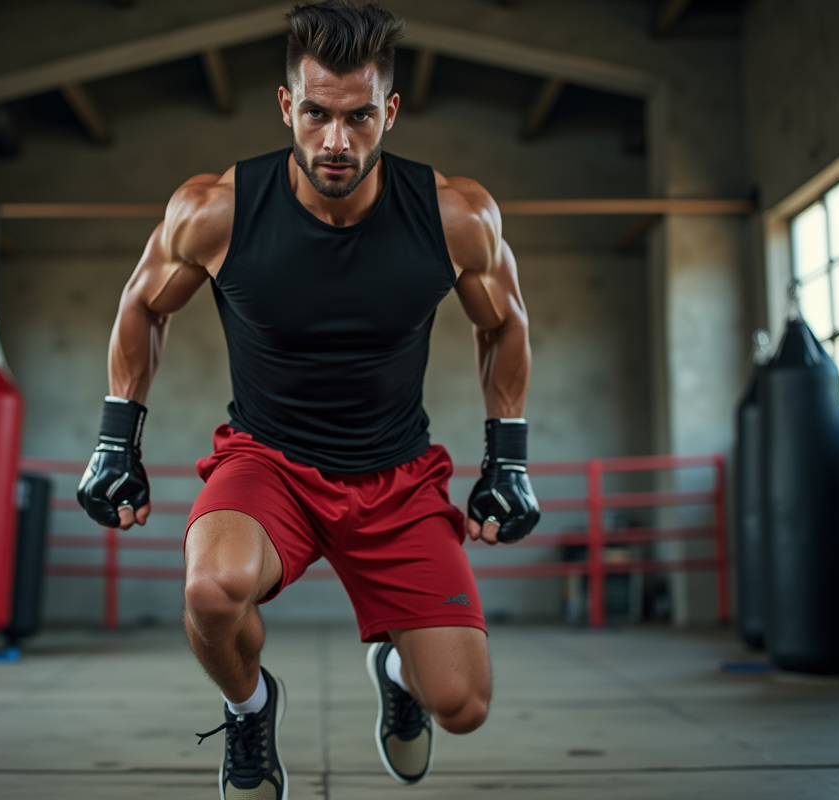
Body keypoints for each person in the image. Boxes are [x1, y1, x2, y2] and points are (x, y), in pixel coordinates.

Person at [77, 2, 540, 797]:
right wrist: (117, 441)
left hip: (396, 477)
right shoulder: (216, 210)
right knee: (209, 590)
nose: (336, 141)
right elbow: (143, 304)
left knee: (463, 705)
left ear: (388, 112)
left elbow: (505, 324)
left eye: (359, 117)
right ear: (287, 104)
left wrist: (510, 458)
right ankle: (250, 708)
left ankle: (396, 669)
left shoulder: (455, 217)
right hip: (269, 465)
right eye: (318, 113)